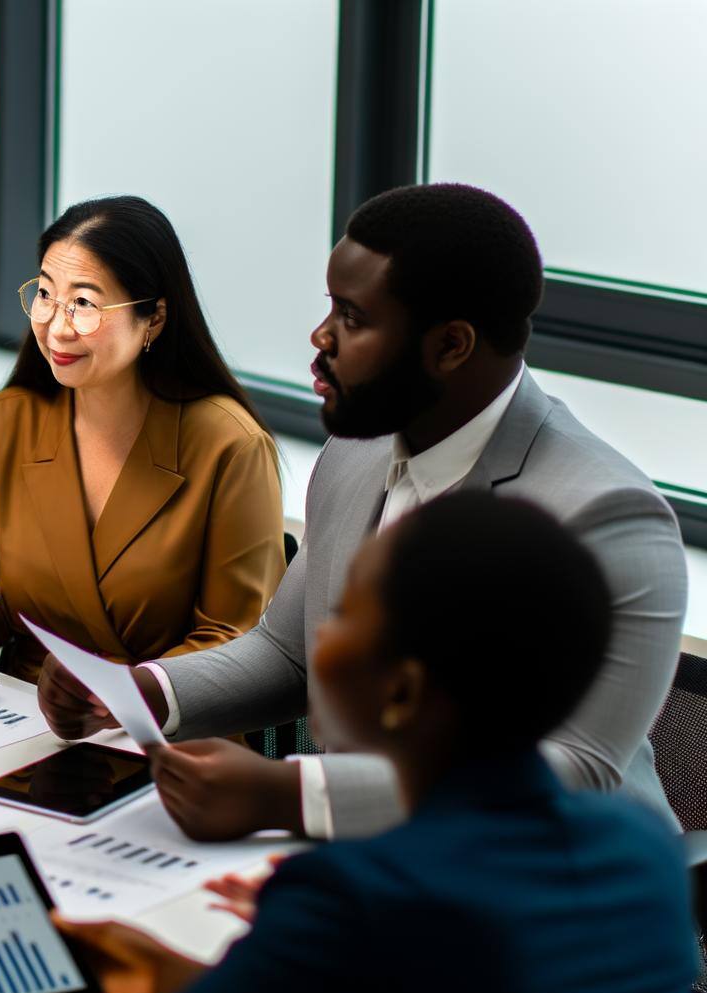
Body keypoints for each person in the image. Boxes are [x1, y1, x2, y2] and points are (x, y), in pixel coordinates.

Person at [0, 493, 698, 993]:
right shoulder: (643, 860)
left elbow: (347, 962)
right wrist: (159, 966)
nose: (316, 638)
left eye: (346, 616)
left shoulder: (352, 903)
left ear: (400, 693)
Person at [38, 183, 686, 840]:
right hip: (376, 868)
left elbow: (576, 771)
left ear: (451, 346)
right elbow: (290, 653)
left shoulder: (610, 517)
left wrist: (294, 796)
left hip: (560, 898)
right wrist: (139, 693)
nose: (320, 336)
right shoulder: (358, 454)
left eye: (352, 317)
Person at [0, 196, 283, 694]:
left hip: (162, 732)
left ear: (153, 318)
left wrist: (126, 694)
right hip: (21, 718)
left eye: (84, 303)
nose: (56, 327)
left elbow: (237, 642)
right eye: (45, 294)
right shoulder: (5, 422)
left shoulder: (231, 447)